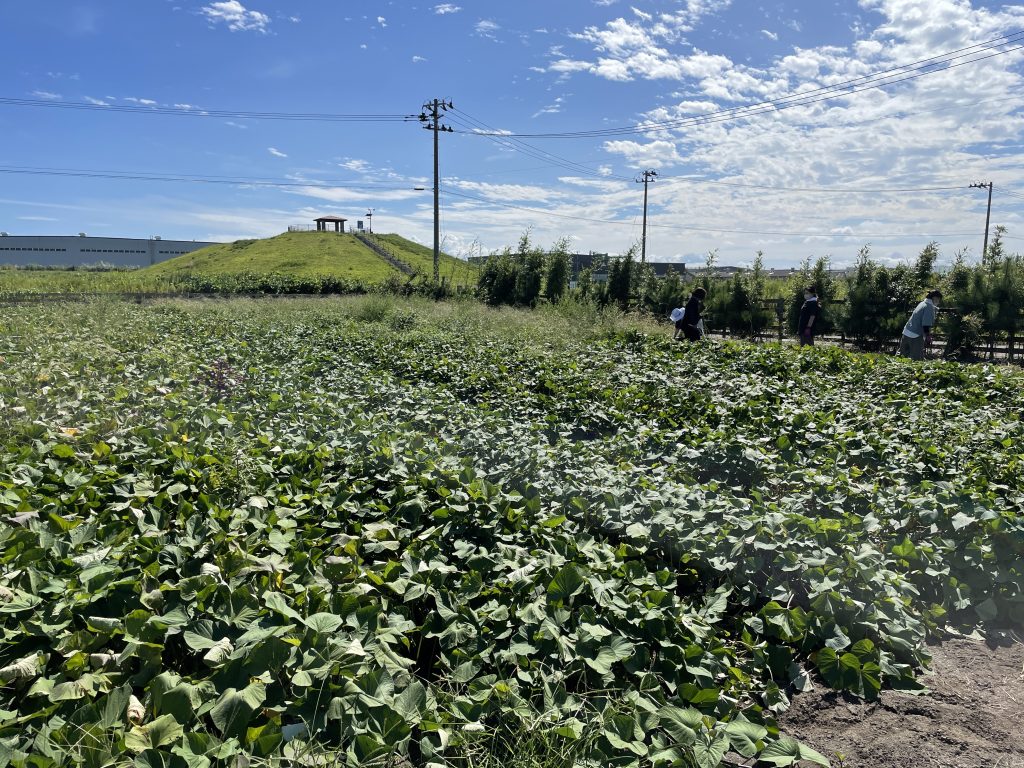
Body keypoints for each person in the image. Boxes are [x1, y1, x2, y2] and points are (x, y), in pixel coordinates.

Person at [899, 289, 942, 360]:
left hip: (906, 332)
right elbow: (925, 324)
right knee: (917, 360)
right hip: (915, 335)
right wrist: (928, 336)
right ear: (934, 298)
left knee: (901, 358)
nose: (939, 301)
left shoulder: (922, 303)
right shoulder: (929, 307)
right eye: (938, 299)